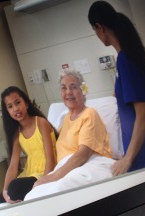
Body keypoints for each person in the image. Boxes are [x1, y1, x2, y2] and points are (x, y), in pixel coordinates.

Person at [88, 0, 145, 175]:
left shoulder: (125, 60)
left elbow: (143, 116)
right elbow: (125, 94)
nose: (97, 36)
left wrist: (127, 159)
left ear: (100, 27)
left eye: (94, 31)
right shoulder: (127, 58)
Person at [24, 69, 115, 200]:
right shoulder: (65, 118)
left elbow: (84, 153)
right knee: (33, 195)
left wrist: (55, 176)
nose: (68, 92)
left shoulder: (89, 114)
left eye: (73, 87)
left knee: (55, 192)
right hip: (68, 169)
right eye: (64, 88)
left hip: (88, 165)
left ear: (82, 90)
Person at [0, 86, 57, 205]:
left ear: (26, 104)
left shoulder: (40, 123)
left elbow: (50, 159)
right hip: (30, 174)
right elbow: (13, 166)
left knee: (15, 188)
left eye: (18, 103)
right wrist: (4, 191)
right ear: (8, 112)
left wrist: (45, 182)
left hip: (44, 174)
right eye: (10, 107)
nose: (16, 109)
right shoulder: (17, 134)